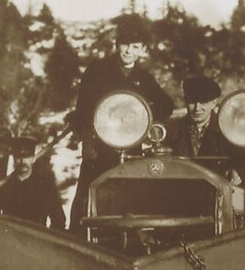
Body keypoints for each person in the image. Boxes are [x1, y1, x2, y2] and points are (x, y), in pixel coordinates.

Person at [67, 14, 174, 236]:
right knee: (89, 195)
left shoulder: (143, 77)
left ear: (142, 49)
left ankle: (126, 242)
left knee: (126, 199)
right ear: (117, 45)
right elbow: (83, 107)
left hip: (129, 147)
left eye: (135, 47)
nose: (128, 51)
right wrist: (86, 138)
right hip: (98, 146)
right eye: (125, 45)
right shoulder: (98, 70)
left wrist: (144, 117)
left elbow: (167, 105)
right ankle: (79, 240)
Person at [166, 75, 245, 223]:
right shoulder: (171, 130)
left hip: (219, 208)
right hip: (178, 208)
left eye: (203, 102)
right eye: (192, 102)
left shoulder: (229, 131)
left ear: (214, 102)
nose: (197, 108)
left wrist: (240, 172)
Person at [0, 136, 67, 229]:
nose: (23, 161)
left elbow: (59, 220)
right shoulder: (4, 185)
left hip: (35, 238)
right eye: (19, 157)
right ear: (14, 158)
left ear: (33, 158)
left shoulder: (44, 186)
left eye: (27, 157)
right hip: (10, 237)